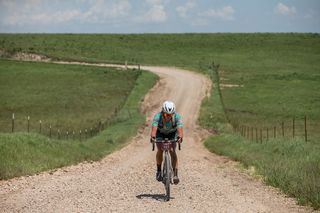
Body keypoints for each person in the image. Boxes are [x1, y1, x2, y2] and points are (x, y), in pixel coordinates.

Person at [150, 100, 183, 184]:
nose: (168, 116)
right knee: (160, 150)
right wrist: (153, 136)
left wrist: (180, 137)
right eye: (166, 114)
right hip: (160, 133)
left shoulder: (177, 117)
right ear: (163, 112)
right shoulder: (158, 117)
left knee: (172, 151)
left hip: (172, 134)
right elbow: (154, 128)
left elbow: (180, 129)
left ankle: (175, 174)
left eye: (170, 114)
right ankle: (159, 171)